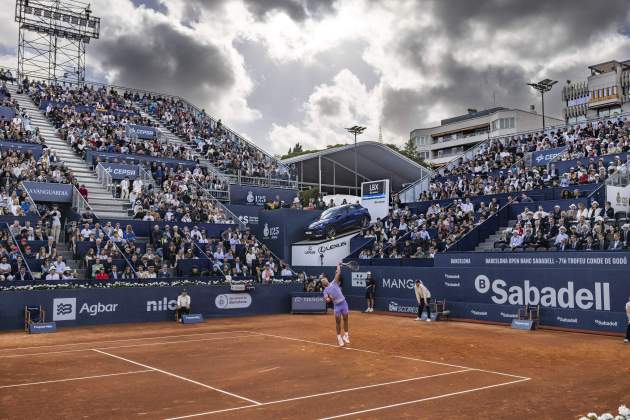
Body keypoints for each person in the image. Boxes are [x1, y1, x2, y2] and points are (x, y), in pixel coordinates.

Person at [321, 263, 350, 347]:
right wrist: (329, 299)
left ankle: (346, 335)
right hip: (337, 306)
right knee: (338, 322)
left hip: (344, 303)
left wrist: (338, 264)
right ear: (323, 284)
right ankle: (339, 338)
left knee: (346, 319)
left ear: (327, 280)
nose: (324, 280)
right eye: (322, 280)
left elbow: (338, 273)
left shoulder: (334, 282)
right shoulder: (325, 291)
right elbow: (326, 300)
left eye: (324, 279)